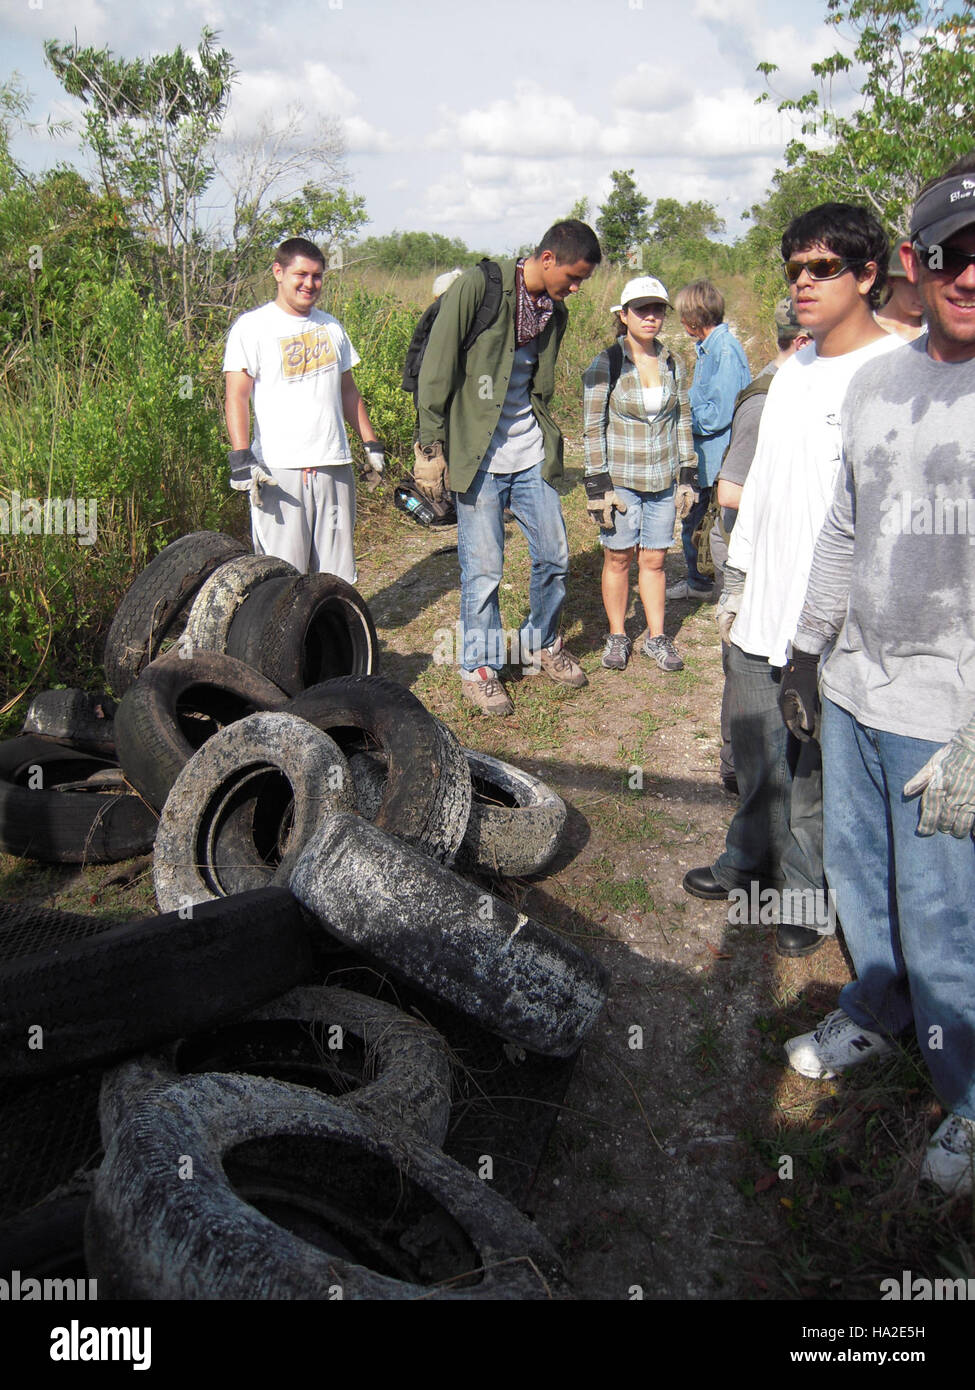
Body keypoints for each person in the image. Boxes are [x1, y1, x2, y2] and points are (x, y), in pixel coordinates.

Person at [780, 155, 975, 1193]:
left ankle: (971, 1096)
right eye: (953, 251)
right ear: (915, 260)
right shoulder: (875, 381)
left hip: (951, 714)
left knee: (949, 917)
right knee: (864, 883)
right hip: (857, 686)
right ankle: (878, 1012)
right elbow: (845, 528)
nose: (972, 273)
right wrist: (806, 651)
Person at [681, 203, 901, 961]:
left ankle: (806, 893)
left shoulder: (893, 373)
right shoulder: (794, 367)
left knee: (812, 771)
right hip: (760, 601)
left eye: (822, 268)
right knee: (753, 746)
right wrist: (734, 581)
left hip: (832, 616)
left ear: (867, 274)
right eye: (794, 269)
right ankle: (746, 864)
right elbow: (765, 484)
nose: (802, 283)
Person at [414, 220, 601, 715]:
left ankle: (540, 644)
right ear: (547, 259)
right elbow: (437, 362)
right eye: (574, 277)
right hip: (478, 457)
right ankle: (479, 666)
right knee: (484, 570)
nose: (576, 288)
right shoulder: (481, 286)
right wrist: (430, 445)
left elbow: (537, 384)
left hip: (529, 452)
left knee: (556, 556)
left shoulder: (552, 313)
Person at [223, 236, 383, 584]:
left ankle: (340, 638)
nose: (309, 284)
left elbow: (348, 391)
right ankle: (284, 640)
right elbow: (236, 395)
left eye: (317, 275)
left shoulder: (331, 327)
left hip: (333, 465)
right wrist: (240, 457)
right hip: (278, 473)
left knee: (336, 574)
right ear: (278, 272)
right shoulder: (251, 327)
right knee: (281, 576)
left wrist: (370, 443)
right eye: (301, 274)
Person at [710, 298, 812, 793]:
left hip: (772, 552)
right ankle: (736, 766)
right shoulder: (767, 398)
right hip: (743, 550)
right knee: (744, 670)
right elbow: (730, 492)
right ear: (802, 341)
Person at [581, 275, 697, 673]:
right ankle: (617, 635)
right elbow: (592, 426)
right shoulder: (607, 363)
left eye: (657, 309)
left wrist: (687, 474)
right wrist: (598, 484)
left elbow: (683, 419)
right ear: (624, 315)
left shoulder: (673, 363)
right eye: (642, 309)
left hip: (663, 481)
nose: (651, 317)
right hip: (622, 483)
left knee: (655, 559)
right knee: (618, 558)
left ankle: (656, 637)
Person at [666, 279, 750, 601]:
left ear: (692, 320)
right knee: (697, 521)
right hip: (706, 457)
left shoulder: (725, 350)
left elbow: (719, 413)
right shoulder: (709, 348)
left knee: (704, 525)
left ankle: (705, 584)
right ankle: (700, 580)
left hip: (718, 459)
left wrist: (681, 417)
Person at [874, 247, 925, 341]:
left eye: (927, 288)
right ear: (892, 280)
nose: (923, 295)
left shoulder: (934, 334)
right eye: (916, 286)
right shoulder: (863, 325)